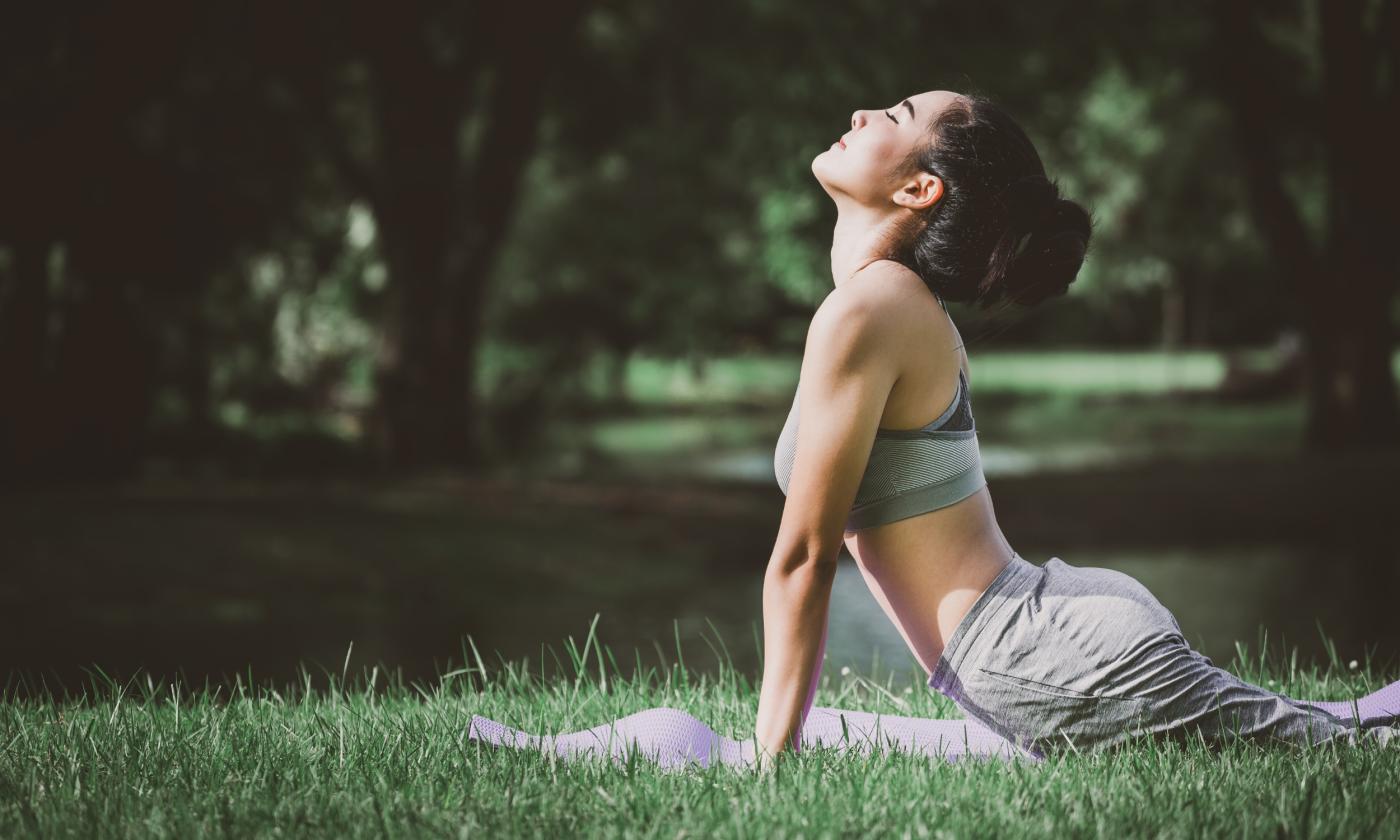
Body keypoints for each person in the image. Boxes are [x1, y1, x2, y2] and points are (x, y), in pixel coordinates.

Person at [753, 89, 1391, 769]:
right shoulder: (892, 304)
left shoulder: (871, 309)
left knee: (1361, 753)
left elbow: (804, 560)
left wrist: (772, 765)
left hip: (1044, 655)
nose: (860, 114)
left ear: (919, 187)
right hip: (1055, 636)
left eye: (895, 115)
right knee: (1335, 732)